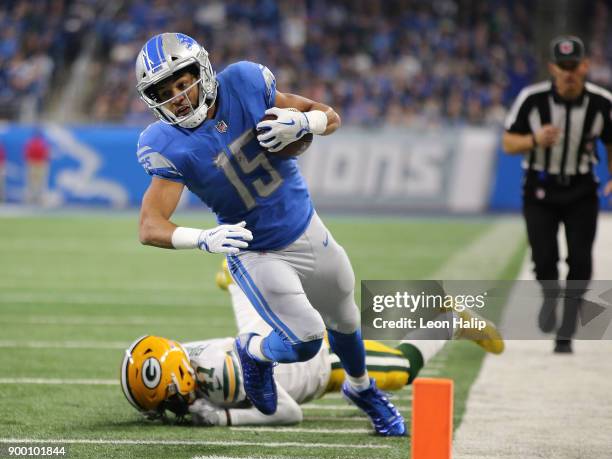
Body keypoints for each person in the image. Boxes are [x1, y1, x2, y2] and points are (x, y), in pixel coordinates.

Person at [134, 32, 404, 435]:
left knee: (346, 318)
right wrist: (203, 238)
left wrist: (303, 121)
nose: (178, 95)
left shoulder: (244, 83)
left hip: (306, 224)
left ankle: (362, 389)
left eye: (182, 80)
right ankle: (253, 351)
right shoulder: (167, 144)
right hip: (256, 250)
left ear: (202, 70)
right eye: (166, 91)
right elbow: (150, 226)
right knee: (307, 340)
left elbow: (328, 115)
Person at [120, 261, 505, 428]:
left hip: (321, 364)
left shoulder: (216, 375)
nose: (170, 408)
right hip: (280, 343)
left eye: (166, 400)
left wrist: (225, 417)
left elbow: (287, 413)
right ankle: (237, 281)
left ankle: (452, 321)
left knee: (402, 368)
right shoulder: (185, 358)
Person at [502, 35, 612, 354]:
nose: (568, 73)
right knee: (543, 258)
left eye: (573, 66)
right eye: (562, 67)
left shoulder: (601, 102)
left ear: (585, 66)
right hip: (540, 188)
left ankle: (565, 331)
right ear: (552, 67)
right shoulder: (532, 99)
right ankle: (551, 296)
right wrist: (534, 140)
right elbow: (508, 143)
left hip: (581, 188)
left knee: (581, 260)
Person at [23, 128, 50, 205]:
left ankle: (35, 199)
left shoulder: (34, 143)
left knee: (36, 183)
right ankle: (34, 199)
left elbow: (26, 155)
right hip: (38, 164)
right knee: (36, 183)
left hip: (36, 164)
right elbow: (46, 154)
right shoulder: (41, 143)